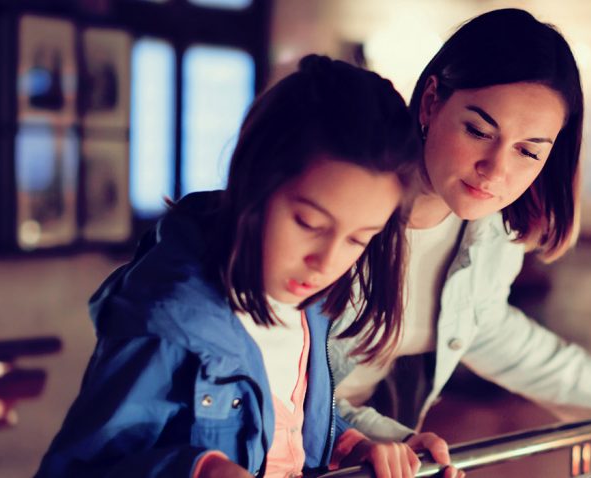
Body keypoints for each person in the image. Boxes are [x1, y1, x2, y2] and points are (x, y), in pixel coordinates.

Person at [35, 55, 428, 478]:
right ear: (255, 181)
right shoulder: (167, 324)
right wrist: (200, 471)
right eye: (309, 224)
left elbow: (287, 429)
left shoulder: (308, 306)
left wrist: (352, 445)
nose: (326, 262)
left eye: (358, 239)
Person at [330, 8, 591, 461]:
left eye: (528, 152)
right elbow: (282, 372)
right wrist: (379, 439)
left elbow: (487, 328)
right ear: (431, 102)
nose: (496, 170)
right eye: (478, 130)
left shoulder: (491, 234)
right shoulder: (343, 209)